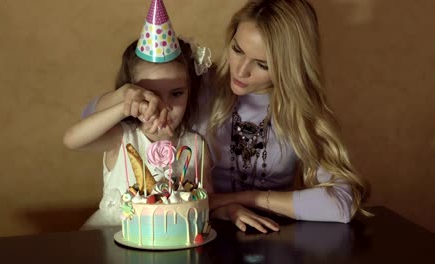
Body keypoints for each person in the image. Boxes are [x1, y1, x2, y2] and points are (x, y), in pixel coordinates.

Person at [80, 0, 369, 233]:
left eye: (261, 64)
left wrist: (242, 198)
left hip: (266, 235)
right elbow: (91, 119)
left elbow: (341, 205)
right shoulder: (197, 86)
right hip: (193, 231)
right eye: (237, 49)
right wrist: (125, 96)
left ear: (289, 67)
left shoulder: (303, 114)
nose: (240, 71)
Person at [63, 37, 213, 229]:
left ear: (190, 91)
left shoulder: (195, 145)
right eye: (151, 94)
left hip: (173, 241)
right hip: (113, 238)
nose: (164, 106)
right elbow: (71, 140)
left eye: (176, 93)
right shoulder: (121, 137)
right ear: (133, 92)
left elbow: (206, 201)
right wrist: (123, 108)